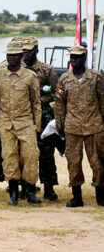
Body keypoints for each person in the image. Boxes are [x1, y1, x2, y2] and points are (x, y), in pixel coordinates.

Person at [0, 40, 42, 205]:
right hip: (6, 124)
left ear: (21, 56)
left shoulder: (30, 77)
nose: (12, 58)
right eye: (9, 55)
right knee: (9, 158)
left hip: (26, 123)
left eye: (15, 55)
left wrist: (37, 126)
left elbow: (36, 103)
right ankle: (13, 193)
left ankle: (31, 191)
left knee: (31, 157)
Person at [54, 45, 104, 207]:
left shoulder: (96, 77)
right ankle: (77, 197)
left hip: (94, 126)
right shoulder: (64, 80)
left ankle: (100, 196)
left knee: (97, 162)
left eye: (78, 57)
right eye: (73, 58)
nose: (75, 60)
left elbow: (103, 101)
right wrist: (59, 123)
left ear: (85, 58)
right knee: (73, 162)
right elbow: (59, 103)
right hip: (72, 127)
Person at [22, 36, 61, 201]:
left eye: (30, 51)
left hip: (44, 116)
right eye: (24, 51)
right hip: (23, 115)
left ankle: (49, 187)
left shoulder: (46, 69)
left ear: (37, 50)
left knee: (46, 152)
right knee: (24, 153)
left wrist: (41, 101)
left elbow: (58, 92)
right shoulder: (18, 69)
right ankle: (25, 187)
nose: (27, 54)